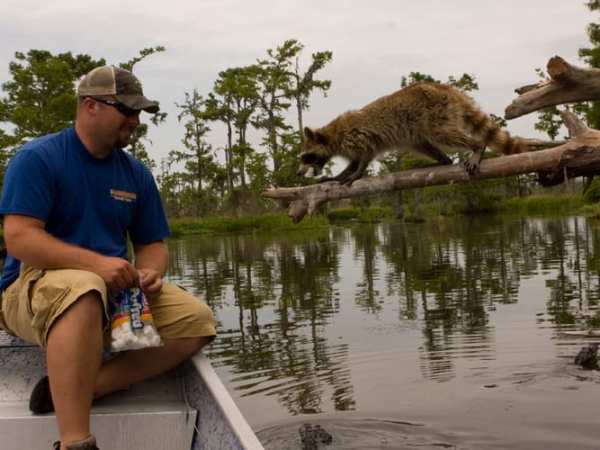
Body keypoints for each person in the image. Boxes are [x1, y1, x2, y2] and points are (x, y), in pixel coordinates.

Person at [0, 65, 217, 450]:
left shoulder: (136, 174)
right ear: (90, 106)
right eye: (127, 110)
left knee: (197, 322)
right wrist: (97, 266)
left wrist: (149, 272)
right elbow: (19, 238)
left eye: (139, 113)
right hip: (30, 291)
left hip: (112, 293)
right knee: (84, 288)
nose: (135, 121)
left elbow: (152, 245)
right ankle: (75, 442)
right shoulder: (38, 158)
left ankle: (86, 385)